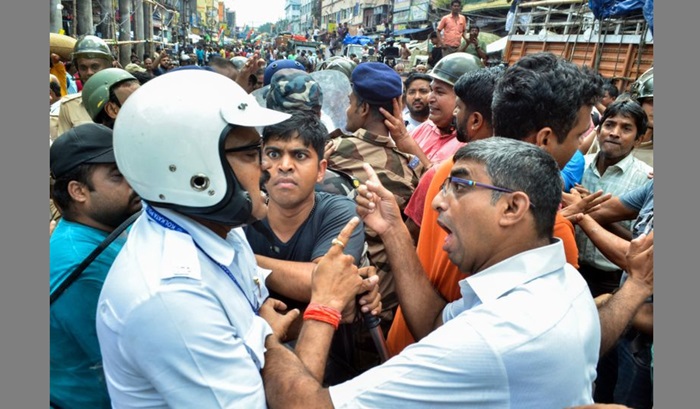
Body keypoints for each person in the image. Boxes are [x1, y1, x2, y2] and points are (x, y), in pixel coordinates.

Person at [262, 137, 601, 408]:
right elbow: (434, 323)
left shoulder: (488, 340)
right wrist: (392, 229)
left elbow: (302, 404)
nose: (438, 201)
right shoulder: (565, 280)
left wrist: (271, 336)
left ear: (512, 207)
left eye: (461, 187)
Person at [93, 69, 293, 407]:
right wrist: (323, 311)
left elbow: (252, 304)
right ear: (195, 173)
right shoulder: (170, 297)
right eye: (251, 154)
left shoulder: (218, 231)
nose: (267, 167)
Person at [387, 53, 602, 356]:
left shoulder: (444, 170)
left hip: (403, 345)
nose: (580, 145)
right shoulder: (546, 229)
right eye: (580, 135)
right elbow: (568, 336)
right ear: (544, 140)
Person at [244, 112, 369, 384]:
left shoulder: (338, 212)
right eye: (274, 154)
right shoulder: (242, 215)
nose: (285, 166)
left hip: (330, 365)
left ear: (321, 169)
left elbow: (324, 281)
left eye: (300, 156)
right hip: (248, 362)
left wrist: (240, 260)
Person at [325, 62, 425, 329]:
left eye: (350, 102)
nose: (347, 110)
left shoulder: (335, 151)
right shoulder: (410, 164)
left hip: (352, 292)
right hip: (395, 295)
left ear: (363, 108)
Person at [50, 123, 142, 408]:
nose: (133, 182)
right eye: (118, 176)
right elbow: (134, 358)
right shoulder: (82, 263)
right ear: (78, 191)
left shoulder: (100, 231)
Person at [574, 99, 652, 298]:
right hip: (571, 267)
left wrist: (587, 209)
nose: (614, 133)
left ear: (639, 139)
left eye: (626, 128)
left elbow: (640, 245)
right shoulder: (578, 167)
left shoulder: (646, 179)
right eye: (609, 125)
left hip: (614, 278)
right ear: (598, 131)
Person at [408, 52, 484, 165]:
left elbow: (438, 181)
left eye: (439, 92)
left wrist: (404, 142)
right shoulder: (425, 128)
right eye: (431, 90)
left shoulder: (471, 146)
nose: (430, 98)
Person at [56, 35, 115, 135]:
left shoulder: (124, 99)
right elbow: (65, 147)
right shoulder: (68, 105)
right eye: (83, 68)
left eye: (95, 66)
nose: (89, 72)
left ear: (108, 66)